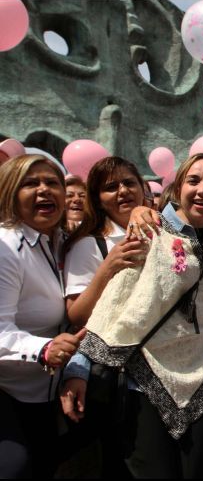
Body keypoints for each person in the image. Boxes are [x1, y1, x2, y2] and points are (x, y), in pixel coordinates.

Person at [61, 153, 203, 478]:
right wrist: (78, 367)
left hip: (201, 374)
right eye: (194, 180)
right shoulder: (149, 229)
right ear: (178, 187)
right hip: (146, 378)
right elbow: (114, 304)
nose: (202, 190)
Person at [60, 156, 148, 475]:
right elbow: (77, 314)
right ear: (97, 199)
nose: (123, 191)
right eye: (111, 187)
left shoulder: (161, 235)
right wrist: (107, 267)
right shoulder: (89, 244)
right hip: (112, 373)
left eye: (129, 183)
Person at [0, 154, 86, 478]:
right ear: (10, 192)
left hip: (47, 396)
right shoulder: (6, 247)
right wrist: (43, 348)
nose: (44, 190)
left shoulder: (63, 241)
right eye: (30, 183)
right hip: (8, 392)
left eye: (52, 182)